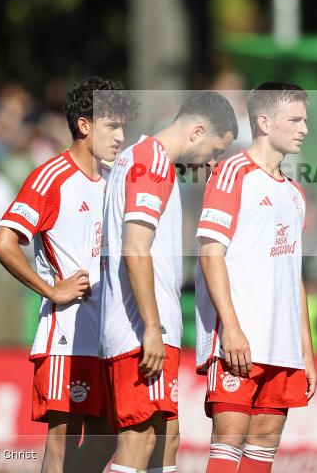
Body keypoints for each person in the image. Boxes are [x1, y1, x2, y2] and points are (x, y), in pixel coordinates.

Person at [0, 77, 137, 473]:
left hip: (111, 334)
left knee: (108, 435)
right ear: (84, 125)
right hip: (68, 333)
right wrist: (52, 291)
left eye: (123, 126)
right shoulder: (51, 177)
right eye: (113, 126)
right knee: (62, 440)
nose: (121, 136)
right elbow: (3, 243)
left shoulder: (115, 182)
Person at [102, 91, 238, 473]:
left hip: (147, 325)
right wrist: (151, 327)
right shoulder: (152, 163)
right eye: (215, 149)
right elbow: (135, 247)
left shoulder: (141, 158)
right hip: (141, 328)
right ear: (196, 131)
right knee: (139, 437)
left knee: (166, 437)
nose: (213, 162)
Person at [195, 82, 317, 473]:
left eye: (305, 120)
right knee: (227, 446)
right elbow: (210, 252)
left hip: (282, 346)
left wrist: (306, 352)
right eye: (295, 119)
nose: (304, 129)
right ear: (264, 122)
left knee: (263, 452)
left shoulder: (295, 194)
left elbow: (292, 276)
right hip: (240, 340)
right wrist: (230, 328)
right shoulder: (233, 173)